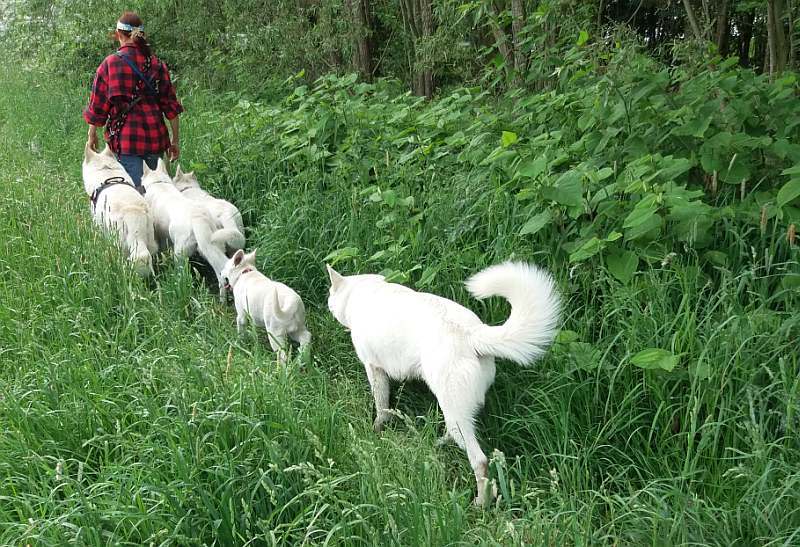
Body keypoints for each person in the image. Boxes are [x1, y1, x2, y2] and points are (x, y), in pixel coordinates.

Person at [84, 11, 183, 192]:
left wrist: (92, 134)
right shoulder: (157, 65)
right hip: (155, 139)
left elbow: (98, 107)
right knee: (158, 194)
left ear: (119, 35)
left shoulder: (110, 64)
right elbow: (171, 108)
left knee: (135, 193)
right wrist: (174, 140)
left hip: (126, 140)